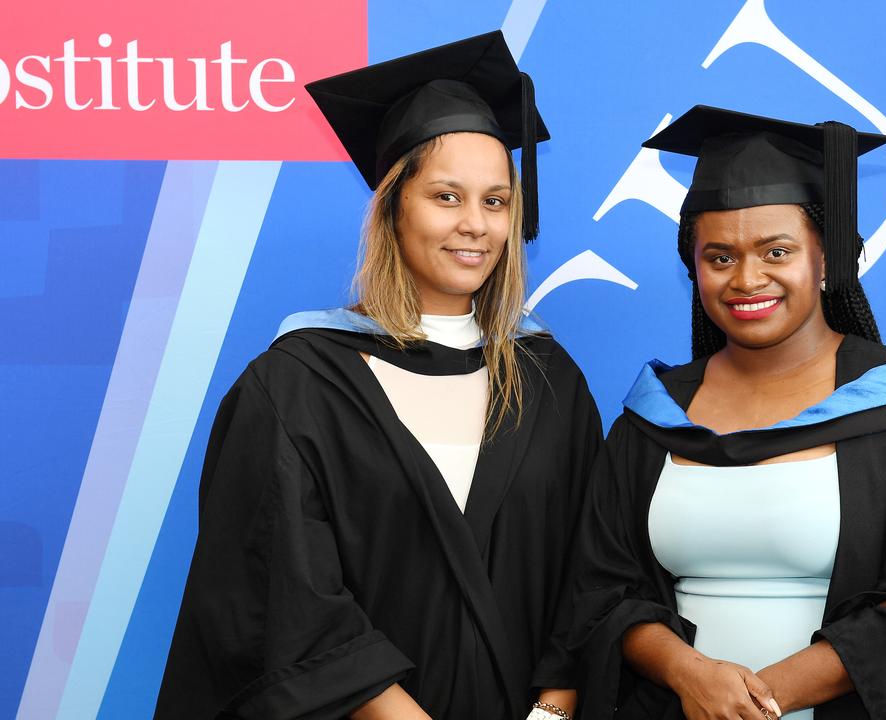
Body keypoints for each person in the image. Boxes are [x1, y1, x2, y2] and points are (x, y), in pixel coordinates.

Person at [154, 31, 601, 720]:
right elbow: (280, 591)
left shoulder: (547, 380)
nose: (476, 226)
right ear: (393, 207)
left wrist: (555, 704)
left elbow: (590, 568)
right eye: (446, 197)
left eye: (496, 201)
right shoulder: (297, 385)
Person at [536, 106, 886, 719]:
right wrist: (690, 675)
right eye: (720, 257)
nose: (746, 278)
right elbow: (601, 593)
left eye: (776, 252)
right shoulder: (651, 421)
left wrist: (758, 699)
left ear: (827, 259)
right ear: (694, 268)